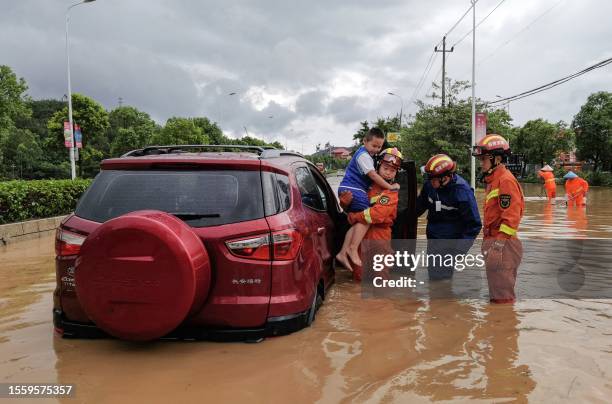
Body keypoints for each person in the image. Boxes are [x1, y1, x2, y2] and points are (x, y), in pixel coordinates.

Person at [336, 128, 400, 269]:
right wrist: (345, 205)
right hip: (361, 242)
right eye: (385, 168)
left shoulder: (391, 191)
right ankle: (347, 251)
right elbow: (353, 210)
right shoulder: (367, 186)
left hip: (378, 242)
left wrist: (353, 217)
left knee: (378, 280)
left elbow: (375, 215)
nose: (388, 173)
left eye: (392, 170)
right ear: (377, 167)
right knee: (358, 282)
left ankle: (348, 250)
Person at [472, 134, 525, 304]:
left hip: (503, 247)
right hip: (495, 244)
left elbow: (511, 219)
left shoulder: (505, 181)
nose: (481, 163)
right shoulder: (494, 181)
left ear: (497, 159)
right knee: (497, 295)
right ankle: (496, 327)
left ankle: (503, 327)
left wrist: (498, 247)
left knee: (503, 300)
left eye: (484, 159)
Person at [417, 154, 482, 280]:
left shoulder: (462, 193)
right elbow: (418, 208)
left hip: (450, 245)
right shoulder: (430, 186)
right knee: (434, 279)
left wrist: (459, 252)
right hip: (433, 239)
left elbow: (474, 225)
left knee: (442, 282)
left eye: (433, 179)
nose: (430, 182)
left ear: (445, 178)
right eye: (429, 178)